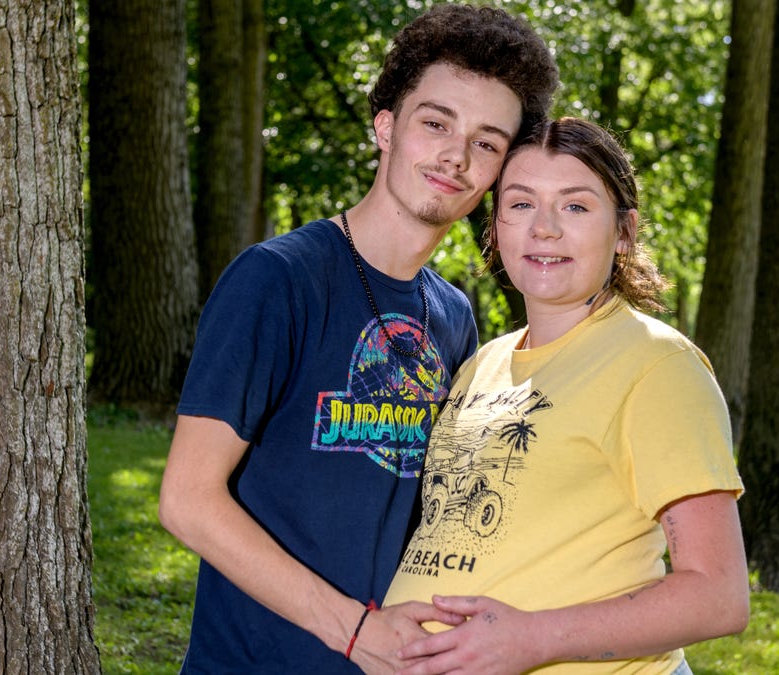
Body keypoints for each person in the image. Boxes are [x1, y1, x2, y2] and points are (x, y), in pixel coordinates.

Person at [157, 4, 559, 673]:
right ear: (386, 127)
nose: (456, 156)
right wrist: (351, 630)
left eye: (487, 143)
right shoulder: (277, 279)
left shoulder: (454, 315)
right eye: (435, 123)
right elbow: (188, 499)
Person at [382, 117, 750, 674]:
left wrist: (535, 638)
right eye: (521, 204)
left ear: (623, 230)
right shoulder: (483, 363)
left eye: (575, 206)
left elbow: (717, 595)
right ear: (496, 225)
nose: (544, 229)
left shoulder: (656, 364)